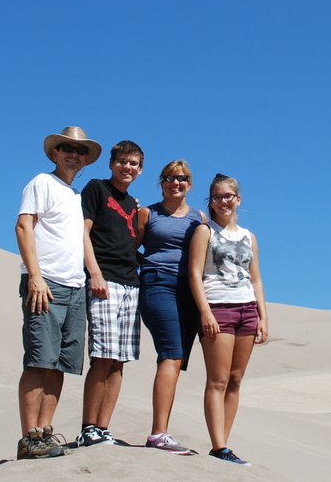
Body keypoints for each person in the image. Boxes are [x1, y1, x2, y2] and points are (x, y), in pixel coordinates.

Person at [15, 126, 102, 459]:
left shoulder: (74, 195)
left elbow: (80, 240)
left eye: (80, 151)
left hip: (74, 286)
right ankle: (29, 437)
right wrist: (35, 276)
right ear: (55, 153)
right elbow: (24, 226)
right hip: (46, 283)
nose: (74, 155)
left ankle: (46, 431)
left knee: (60, 363)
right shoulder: (42, 182)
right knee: (39, 360)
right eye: (68, 148)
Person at [189, 173, 269, 466]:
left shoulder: (249, 236)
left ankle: (224, 443)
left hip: (247, 308)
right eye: (217, 196)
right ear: (210, 201)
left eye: (228, 196)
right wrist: (205, 312)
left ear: (238, 199)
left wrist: (263, 316)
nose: (223, 201)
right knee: (218, 379)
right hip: (218, 308)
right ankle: (218, 446)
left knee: (235, 379)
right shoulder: (204, 232)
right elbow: (195, 275)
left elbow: (256, 278)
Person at [135, 160, 207, 455]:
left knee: (176, 361)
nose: (175, 183)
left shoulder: (198, 217)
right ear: (161, 183)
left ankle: (161, 430)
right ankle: (158, 434)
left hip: (189, 291)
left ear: (189, 184)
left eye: (181, 178)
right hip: (158, 285)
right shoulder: (147, 213)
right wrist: (149, 269)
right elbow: (130, 248)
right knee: (171, 354)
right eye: (168, 178)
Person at [76, 140, 144, 447]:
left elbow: (130, 244)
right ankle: (88, 427)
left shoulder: (134, 206)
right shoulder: (96, 188)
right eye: (122, 162)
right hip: (105, 281)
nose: (127, 167)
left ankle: (104, 428)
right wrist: (95, 273)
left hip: (131, 283)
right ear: (111, 163)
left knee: (119, 360)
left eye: (134, 164)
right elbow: (83, 233)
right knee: (103, 355)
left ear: (140, 169)